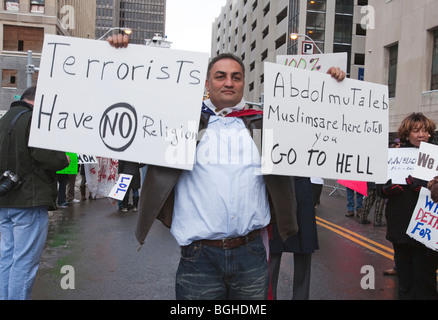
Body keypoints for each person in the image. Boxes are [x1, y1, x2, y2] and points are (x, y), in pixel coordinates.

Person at [108, 34, 346, 300]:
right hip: (198, 257)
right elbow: (130, 105)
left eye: (236, 77)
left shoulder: (262, 126)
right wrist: (120, 55)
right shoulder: (183, 122)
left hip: (252, 254)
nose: (229, 82)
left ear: (244, 82)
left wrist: (330, 85)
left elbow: (315, 126)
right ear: (207, 83)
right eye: (220, 76)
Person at [0, 87, 70, 300]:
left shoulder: (4, 120)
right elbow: (47, 155)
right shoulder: (33, 120)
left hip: (5, 198)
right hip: (29, 199)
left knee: (7, 258)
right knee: (25, 261)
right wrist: (63, 160)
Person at [377, 112, 438, 299]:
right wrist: (387, 189)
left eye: (425, 131)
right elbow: (379, 189)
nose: (422, 135)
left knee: (425, 280)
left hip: (426, 228)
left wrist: (423, 189)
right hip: (401, 227)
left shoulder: (436, 155)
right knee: (405, 282)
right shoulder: (393, 156)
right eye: (416, 130)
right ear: (406, 133)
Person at [269, 177, 319, 300]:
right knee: (272, 253)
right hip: (276, 189)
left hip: (302, 190)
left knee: (304, 249)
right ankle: (268, 296)